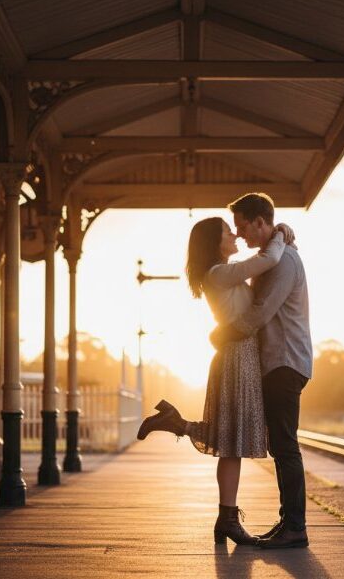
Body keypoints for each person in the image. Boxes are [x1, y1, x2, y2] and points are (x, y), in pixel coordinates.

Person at [137, 213, 295, 546]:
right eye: (228, 232)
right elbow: (269, 258)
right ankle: (227, 518)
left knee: (231, 439)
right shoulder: (219, 273)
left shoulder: (223, 274)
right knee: (231, 442)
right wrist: (280, 231)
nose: (235, 235)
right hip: (237, 356)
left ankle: (177, 425)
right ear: (214, 243)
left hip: (241, 354)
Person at [210, 192, 312, 550]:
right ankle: (288, 522)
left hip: (285, 361)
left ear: (260, 222)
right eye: (234, 228)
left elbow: (261, 312)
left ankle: (296, 527)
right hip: (276, 362)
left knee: (285, 447)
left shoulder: (284, 263)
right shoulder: (272, 257)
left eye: (243, 227)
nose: (241, 235)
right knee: (280, 446)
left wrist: (224, 333)